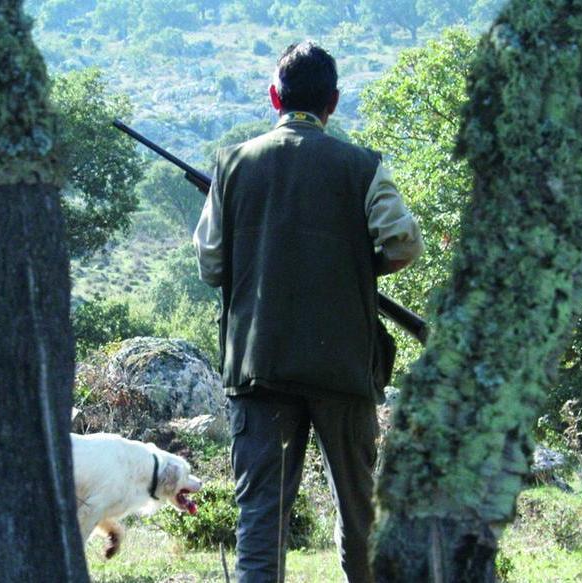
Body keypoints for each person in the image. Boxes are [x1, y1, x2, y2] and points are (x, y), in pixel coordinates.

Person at [192, 41, 424, 583]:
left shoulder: (233, 164)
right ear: (334, 102)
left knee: (260, 525)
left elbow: (209, 265)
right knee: (360, 518)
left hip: (259, 366)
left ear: (275, 96)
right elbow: (403, 244)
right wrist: (356, 269)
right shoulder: (362, 166)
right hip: (343, 367)